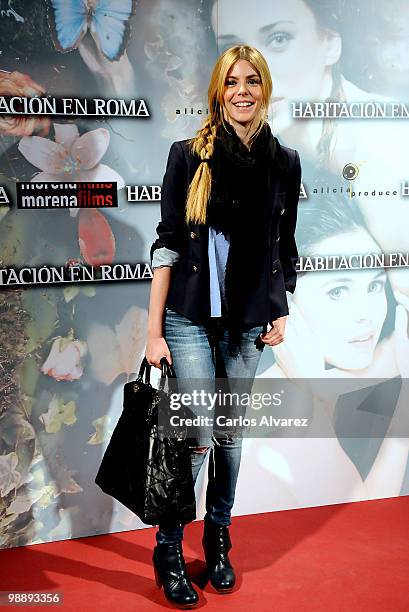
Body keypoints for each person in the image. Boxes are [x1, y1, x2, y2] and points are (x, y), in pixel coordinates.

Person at [145, 44, 301, 608]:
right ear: (218, 90)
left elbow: (283, 246)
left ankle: (217, 538)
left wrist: (280, 308)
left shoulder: (284, 161)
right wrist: (152, 330)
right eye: (231, 81)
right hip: (188, 319)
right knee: (197, 437)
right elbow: (165, 245)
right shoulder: (188, 155)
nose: (242, 91)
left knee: (230, 437)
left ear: (264, 88)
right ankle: (168, 547)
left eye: (251, 81)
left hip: (246, 323)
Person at [210, 0, 409, 300]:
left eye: (279, 39)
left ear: (330, 43)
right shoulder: (229, 149)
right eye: (234, 50)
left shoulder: (389, 141)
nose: (254, 74)